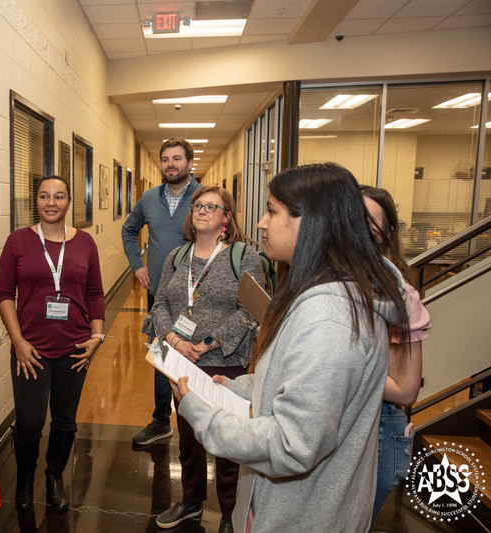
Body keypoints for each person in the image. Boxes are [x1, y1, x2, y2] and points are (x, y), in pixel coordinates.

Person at [172, 163, 409, 531]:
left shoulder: (330, 317)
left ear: (310, 221)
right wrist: (236, 388)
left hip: (303, 516)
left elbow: (292, 444)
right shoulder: (320, 294)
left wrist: (201, 414)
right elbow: (294, 375)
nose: (262, 223)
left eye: (271, 210)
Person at [145, 186, 264, 533]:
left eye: (212, 207)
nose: (202, 210)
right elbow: (160, 305)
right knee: (188, 438)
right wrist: (172, 339)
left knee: (228, 446)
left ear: (226, 218)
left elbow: (250, 312)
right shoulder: (177, 257)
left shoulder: (244, 257)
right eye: (198, 205)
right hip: (180, 360)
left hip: (226, 364)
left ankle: (230, 515)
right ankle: (191, 502)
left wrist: (208, 344)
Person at [0, 176, 105, 512]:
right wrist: (18, 341)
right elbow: (3, 295)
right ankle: (25, 480)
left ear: (69, 201)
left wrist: (97, 336)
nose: (51, 202)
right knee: (29, 421)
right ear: (37, 201)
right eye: (44, 196)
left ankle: (54, 475)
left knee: (64, 419)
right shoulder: (18, 241)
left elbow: (95, 293)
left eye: (59, 196)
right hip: (30, 351)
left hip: (74, 348)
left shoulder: (85, 242)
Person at [122, 138, 202, 446]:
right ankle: (160, 419)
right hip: (158, 294)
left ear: (189, 164)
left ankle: (196, 421)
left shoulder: (203, 197)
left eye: (177, 159)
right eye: (166, 159)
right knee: (160, 356)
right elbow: (129, 230)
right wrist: (136, 265)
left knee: (196, 356)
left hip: (197, 297)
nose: (171, 164)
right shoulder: (149, 199)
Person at [361, 185, 431, 524]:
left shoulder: (398, 294)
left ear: (387, 232)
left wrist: (339, 367)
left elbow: (405, 389)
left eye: (368, 220)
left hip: (379, 426)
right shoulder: (332, 282)